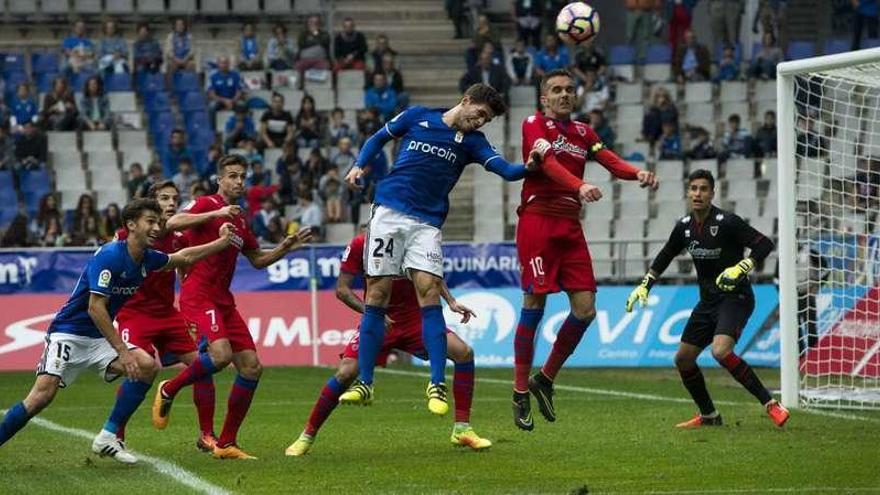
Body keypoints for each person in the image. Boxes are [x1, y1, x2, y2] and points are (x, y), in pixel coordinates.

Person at [340, 83, 537, 414]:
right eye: (480, 114)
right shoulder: (417, 116)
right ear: (466, 101)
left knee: (428, 291)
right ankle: (366, 382)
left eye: (486, 120)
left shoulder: (473, 143)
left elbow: (504, 170)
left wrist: (529, 167)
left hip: (427, 223)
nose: (480, 122)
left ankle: (436, 382)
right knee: (377, 295)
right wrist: (360, 164)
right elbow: (378, 138)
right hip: (388, 212)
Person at [0, 199, 233, 461]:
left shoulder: (147, 258)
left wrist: (221, 243)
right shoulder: (111, 255)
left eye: (159, 222)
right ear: (131, 225)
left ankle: (108, 436)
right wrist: (122, 351)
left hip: (98, 337)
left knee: (146, 366)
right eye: (151, 221)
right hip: (69, 333)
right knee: (41, 396)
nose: (158, 227)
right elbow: (95, 308)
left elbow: (183, 257)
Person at [511, 69, 657, 431]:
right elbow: (548, 164)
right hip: (539, 222)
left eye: (569, 90)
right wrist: (579, 185)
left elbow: (609, 159)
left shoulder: (583, 132)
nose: (563, 95)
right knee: (535, 303)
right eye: (556, 90)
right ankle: (519, 392)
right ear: (544, 99)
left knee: (586, 310)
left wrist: (636, 172)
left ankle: (544, 379)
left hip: (569, 226)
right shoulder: (534, 125)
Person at [154, 155, 314, 459]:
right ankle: (169, 389)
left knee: (252, 368)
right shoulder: (206, 203)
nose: (239, 181)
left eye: (242, 176)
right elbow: (172, 222)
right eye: (232, 176)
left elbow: (257, 260)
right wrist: (216, 212)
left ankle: (226, 443)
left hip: (224, 300)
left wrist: (284, 247)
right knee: (220, 355)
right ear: (220, 179)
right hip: (198, 294)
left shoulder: (241, 220)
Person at [286, 231, 490, 456]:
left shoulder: (414, 238)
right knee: (346, 373)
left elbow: (430, 278)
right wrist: (371, 314)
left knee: (464, 353)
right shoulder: (360, 243)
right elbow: (342, 290)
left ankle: (462, 429)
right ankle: (307, 435)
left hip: (415, 320)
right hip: (379, 320)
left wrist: (451, 301)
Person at [625, 169, 789, 428]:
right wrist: (645, 284)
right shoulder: (684, 227)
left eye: (703, 189)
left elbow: (764, 244)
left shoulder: (727, 222)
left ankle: (772, 405)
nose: (697, 194)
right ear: (688, 192)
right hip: (708, 301)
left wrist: (743, 266)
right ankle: (709, 416)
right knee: (683, 359)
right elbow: (666, 255)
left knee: (721, 351)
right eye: (693, 189)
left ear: (713, 193)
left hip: (736, 297)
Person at [107, 181, 230, 449]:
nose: (172, 203)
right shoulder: (125, 237)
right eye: (164, 198)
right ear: (150, 204)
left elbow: (187, 266)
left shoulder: (178, 238)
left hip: (167, 314)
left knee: (201, 367)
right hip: (134, 314)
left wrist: (190, 314)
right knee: (137, 370)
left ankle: (206, 435)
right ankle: (115, 434)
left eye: (175, 198)